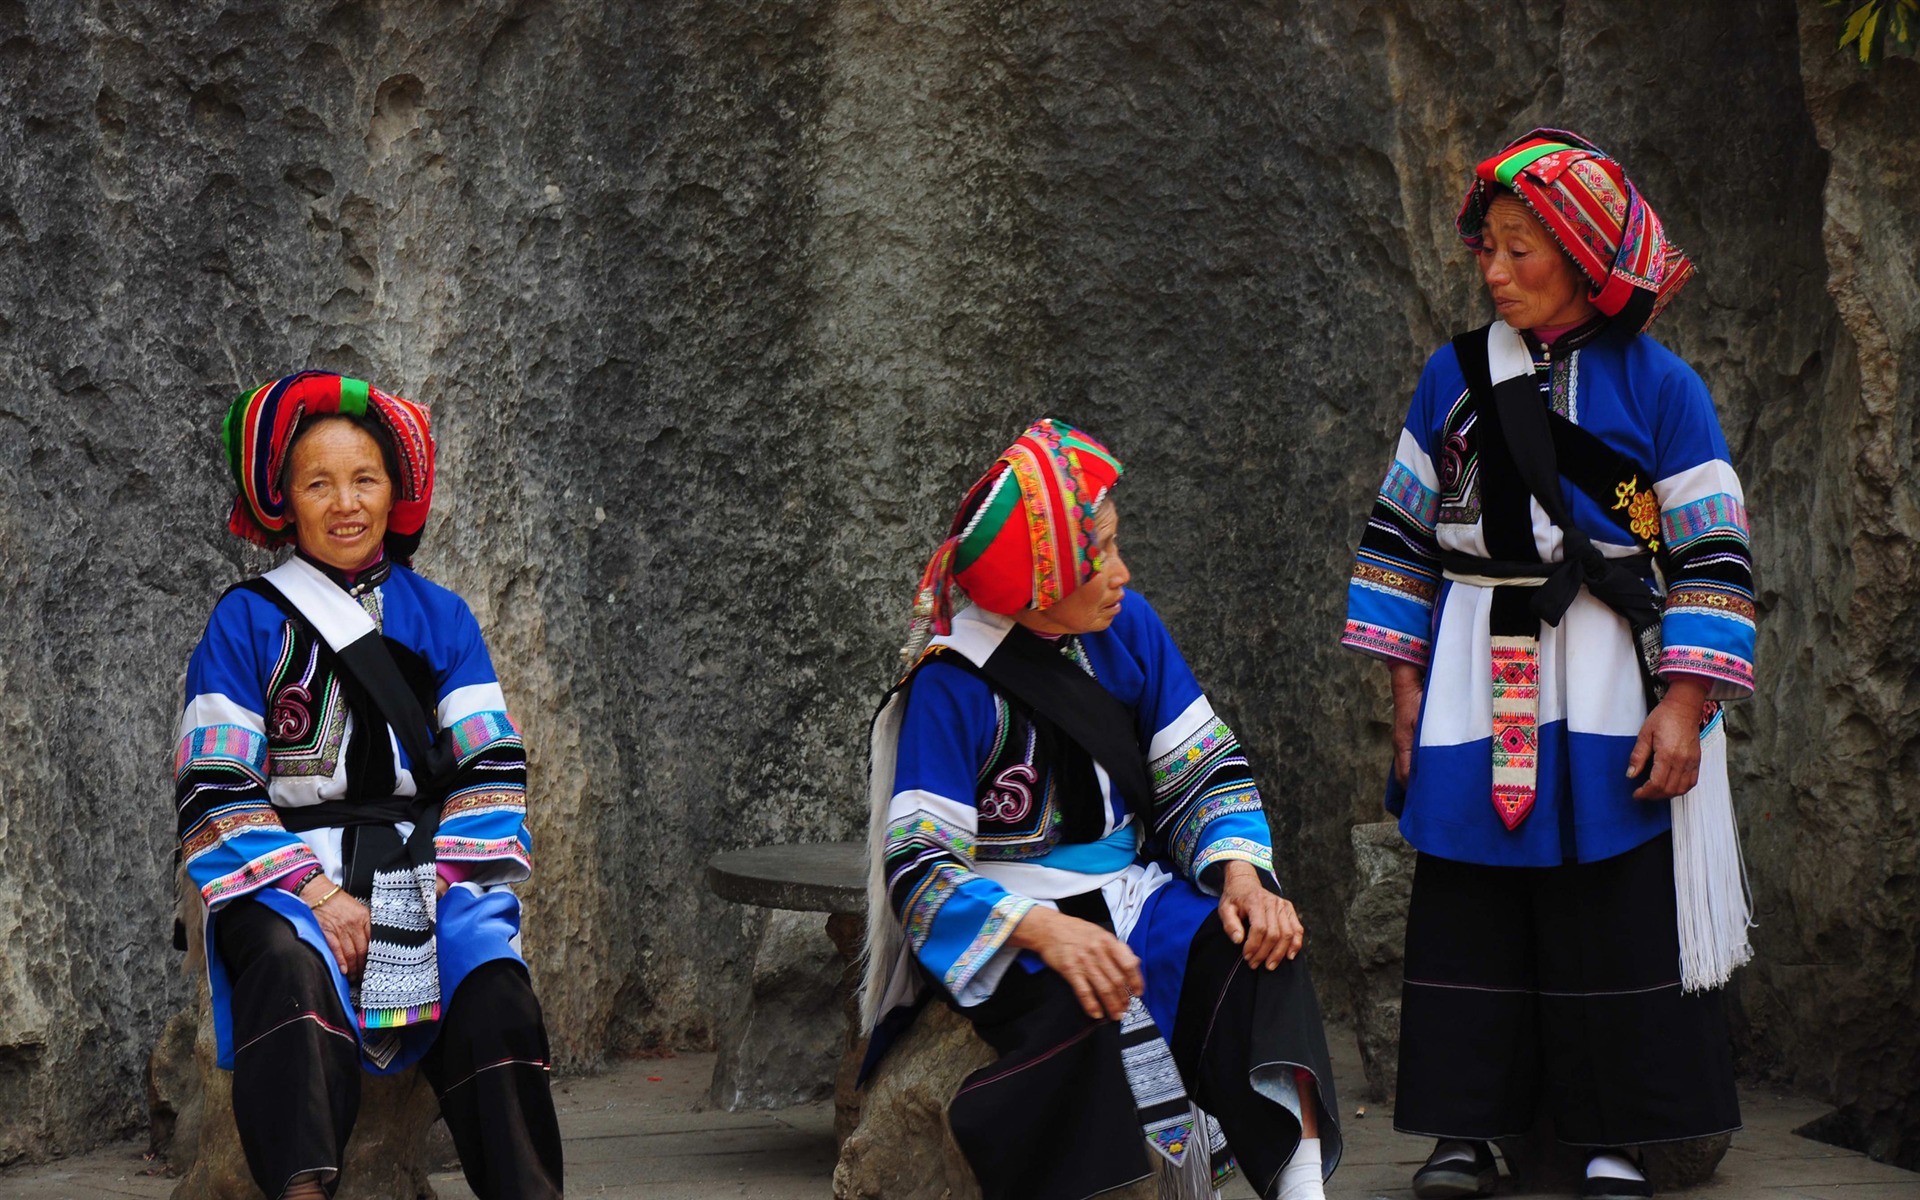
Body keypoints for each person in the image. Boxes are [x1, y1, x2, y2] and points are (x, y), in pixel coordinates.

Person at [1342, 129, 1754, 1200]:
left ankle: (1614, 1135)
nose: (1495, 270)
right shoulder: (1453, 378)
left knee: (1612, 901)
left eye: (1520, 249)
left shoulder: (1664, 390)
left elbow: (1712, 554)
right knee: (1469, 893)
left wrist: (1685, 701)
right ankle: (1462, 1132)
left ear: (1581, 254)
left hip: (1613, 672)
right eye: (1488, 248)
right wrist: (1404, 692)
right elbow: (1400, 536)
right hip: (1477, 667)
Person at [861, 419, 1341, 1200]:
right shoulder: (953, 682)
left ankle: (1302, 1187)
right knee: (1083, 1014)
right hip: (1014, 918)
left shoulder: (1128, 630)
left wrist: (1244, 877)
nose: (1121, 571)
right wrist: (1046, 931)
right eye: (1102, 553)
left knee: (1258, 947)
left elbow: (1203, 767)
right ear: (1040, 581)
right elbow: (919, 868)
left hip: (1132, 890)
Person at [174, 370, 563, 1199]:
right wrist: (319, 894)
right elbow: (214, 786)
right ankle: (305, 1191)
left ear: (396, 493)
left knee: (491, 985)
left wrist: (425, 893)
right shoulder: (245, 621)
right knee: (284, 967)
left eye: (364, 479)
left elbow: (490, 769)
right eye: (319, 483)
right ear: (285, 500)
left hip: (429, 868)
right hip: (286, 877)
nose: (344, 503)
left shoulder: (442, 618)